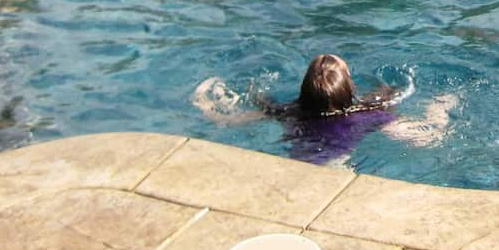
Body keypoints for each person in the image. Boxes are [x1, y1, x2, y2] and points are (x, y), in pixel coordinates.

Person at [193, 53, 457, 166]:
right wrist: (440, 109)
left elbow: (228, 121)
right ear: (349, 88)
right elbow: (425, 137)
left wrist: (205, 100)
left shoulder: (288, 112)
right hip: (337, 168)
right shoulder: (367, 114)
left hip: (297, 167)